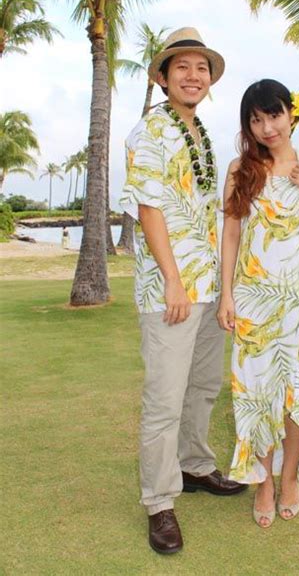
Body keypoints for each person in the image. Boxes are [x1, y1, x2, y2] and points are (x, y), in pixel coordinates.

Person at [120, 27, 246, 555]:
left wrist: (223, 287)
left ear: (209, 79)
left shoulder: (201, 132)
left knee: (202, 388)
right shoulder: (150, 130)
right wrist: (173, 279)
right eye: (183, 67)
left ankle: (194, 466)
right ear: (163, 77)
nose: (193, 76)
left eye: (201, 68)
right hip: (169, 291)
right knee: (165, 400)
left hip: (207, 287)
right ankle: (158, 501)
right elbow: (149, 207)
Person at [218, 79, 299, 528]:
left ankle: (289, 479)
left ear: (291, 114)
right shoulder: (241, 169)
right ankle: (263, 483)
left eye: (274, 115)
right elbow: (232, 234)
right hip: (254, 300)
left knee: (298, 394)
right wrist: (227, 294)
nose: (267, 127)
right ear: (248, 125)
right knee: (258, 393)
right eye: (256, 119)